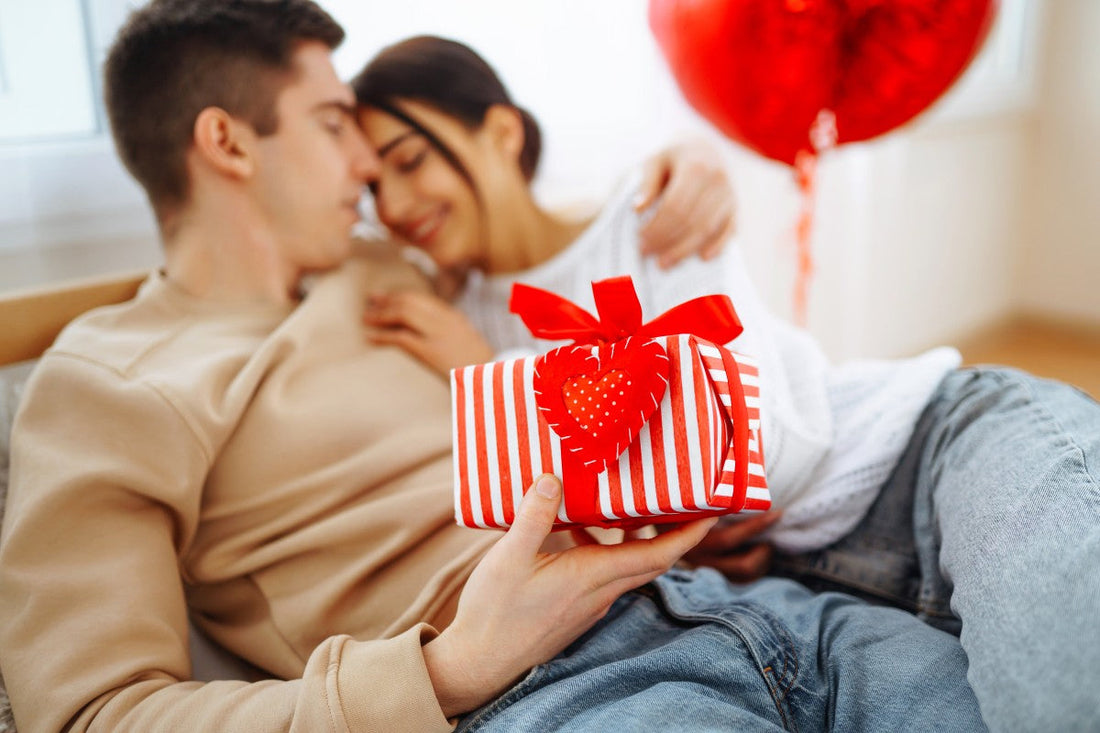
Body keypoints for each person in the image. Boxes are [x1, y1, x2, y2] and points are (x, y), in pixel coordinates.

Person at [0, 2, 987, 731]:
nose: (367, 175)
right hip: (554, 688)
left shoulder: (398, 272)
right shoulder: (107, 379)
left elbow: (540, 231)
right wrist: (447, 672)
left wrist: (689, 158)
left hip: (734, 603)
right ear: (226, 142)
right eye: (336, 122)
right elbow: (92, 712)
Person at [352, 36, 1100, 730]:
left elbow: (760, 444)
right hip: (805, 583)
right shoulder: (445, 318)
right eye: (372, 187)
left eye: (410, 160)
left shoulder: (650, 215)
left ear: (502, 133)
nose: (393, 206)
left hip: (923, 448)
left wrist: (503, 380)